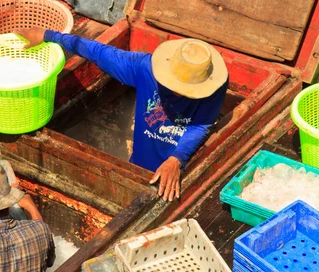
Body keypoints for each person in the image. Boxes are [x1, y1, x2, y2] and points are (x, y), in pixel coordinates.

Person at [16, 27, 229, 203]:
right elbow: (97, 51)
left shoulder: (213, 86)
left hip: (179, 173)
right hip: (139, 165)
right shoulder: (145, 68)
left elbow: (201, 124)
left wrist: (176, 159)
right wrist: (49, 36)